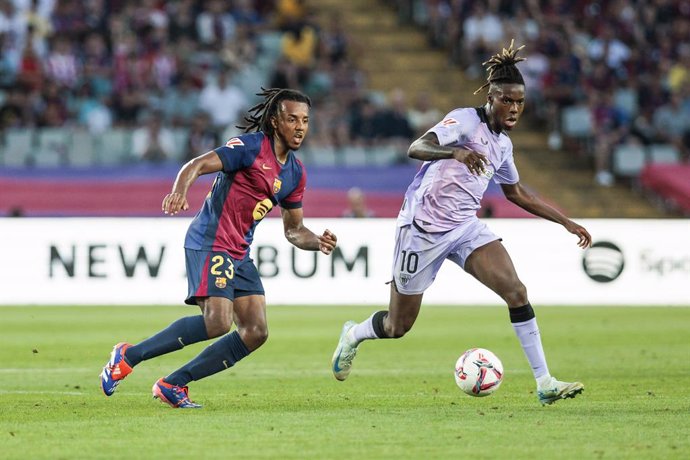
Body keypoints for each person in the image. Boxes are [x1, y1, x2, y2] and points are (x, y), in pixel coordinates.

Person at [331, 41, 592, 406]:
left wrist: (565, 222)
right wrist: (455, 151)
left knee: (516, 292)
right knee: (397, 326)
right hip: (421, 229)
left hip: (465, 229)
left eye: (519, 101)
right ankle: (354, 334)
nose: (514, 108)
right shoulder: (466, 120)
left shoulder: (503, 145)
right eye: (507, 100)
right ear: (491, 97)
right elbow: (417, 147)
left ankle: (544, 382)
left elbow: (516, 193)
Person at [100, 88, 338, 408]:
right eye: (292, 118)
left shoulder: (295, 173)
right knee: (218, 322)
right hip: (211, 241)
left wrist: (316, 242)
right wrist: (179, 192)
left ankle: (174, 384)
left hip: (239, 252)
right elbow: (197, 164)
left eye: (305, 121)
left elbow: (294, 230)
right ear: (274, 121)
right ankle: (128, 355)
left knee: (255, 331)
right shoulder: (250, 148)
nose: (300, 127)